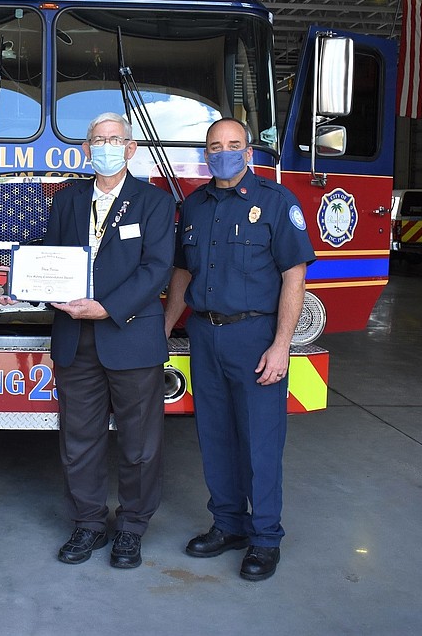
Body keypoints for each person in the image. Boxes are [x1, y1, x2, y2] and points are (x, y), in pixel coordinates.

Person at [0, 112, 174, 568]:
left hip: (129, 337)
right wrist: (31, 288)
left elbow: (156, 269)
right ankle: (89, 524)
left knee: (139, 444)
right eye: (97, 140)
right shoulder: (67, 200)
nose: (105, 147)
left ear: (130, 149)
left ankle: (132, 528)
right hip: (76, 339)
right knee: (79, 440)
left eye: (114, 140)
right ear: (85, 150)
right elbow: (50, 256)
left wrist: (107, 307)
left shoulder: (154, 203)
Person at [163, 117, 315, 582]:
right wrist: (165, 330)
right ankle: (228, 524)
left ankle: (266, 538)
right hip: (205, 336)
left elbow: (294, 275)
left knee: (260, 441)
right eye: (214, 146)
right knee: (215, 436)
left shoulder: (275, 202)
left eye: (232, 145)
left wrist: (282, 346)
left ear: (249, 152)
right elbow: (183, 274)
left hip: (255, 338)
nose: (223, 152)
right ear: (205, 155)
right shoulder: (193, 207)